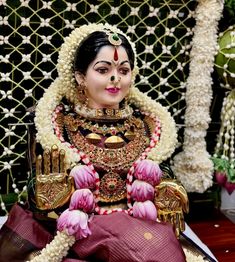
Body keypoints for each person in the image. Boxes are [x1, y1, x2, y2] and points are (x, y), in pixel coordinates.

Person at [0, 23, 201, 262]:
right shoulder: (56, 125)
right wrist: (48, 194)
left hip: (139, 222)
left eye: (124, 71)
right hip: (78, 227)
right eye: (103, 70)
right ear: (80, 77)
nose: (115, 78)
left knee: (157, 247)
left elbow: (159, 172)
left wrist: (168, 188)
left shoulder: (147, 125)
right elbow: (38, 195)